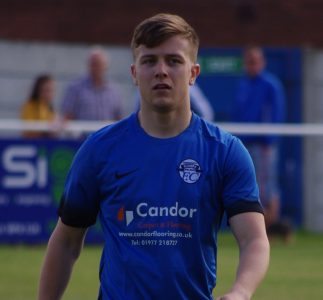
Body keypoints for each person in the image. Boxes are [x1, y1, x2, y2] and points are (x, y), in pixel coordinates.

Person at [38, 14, 269, 300]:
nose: (161, 71)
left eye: (173, 61)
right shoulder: (99, 150)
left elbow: (254, 239)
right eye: (149, 61)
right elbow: (66, 242)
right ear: (135, 73)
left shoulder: (225, 151)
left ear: (194, 73)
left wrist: (241, 291)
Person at [232, 46, 291, 241]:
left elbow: (276, 114)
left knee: (267, 184)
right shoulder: (243, 84)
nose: (251, 65)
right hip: (246, 143)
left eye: (255, 61)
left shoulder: (270, 85)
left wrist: (269, 139)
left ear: (262, 62)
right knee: (254, 184)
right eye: (248, 61)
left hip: (263, 144)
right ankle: (263, 227)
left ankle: (271, 227)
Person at [60, 47, 123, 121]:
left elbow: (119, 118)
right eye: (93, 64)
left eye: (99, 64)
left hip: (107, 132)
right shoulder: (75, 88)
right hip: (83, 132)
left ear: (106, 66)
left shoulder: (114, 91)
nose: (96, 68)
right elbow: (66, 115)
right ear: (88, 65)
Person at [134, 82, 215, 121]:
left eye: (173, 61)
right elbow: (136, 115)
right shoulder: (144, 89)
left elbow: (205, 113)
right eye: (151, 61)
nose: (162, 70)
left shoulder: (188, 88)